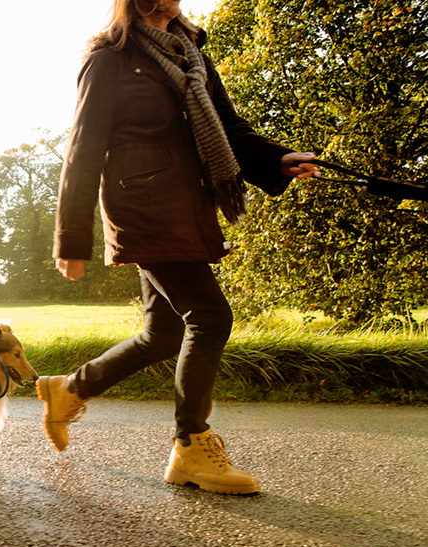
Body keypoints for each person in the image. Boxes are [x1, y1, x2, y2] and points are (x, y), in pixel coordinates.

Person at [36, 0, 317, 495]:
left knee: (162, 336)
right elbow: (83, 147)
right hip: (142, 207)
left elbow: (229, 129)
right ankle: (192, 445)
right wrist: (72, 237)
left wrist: (276, 159)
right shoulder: (109, 58)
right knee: (209, 316)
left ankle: (68, 389)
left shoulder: (191, 53)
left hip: (188, 203)